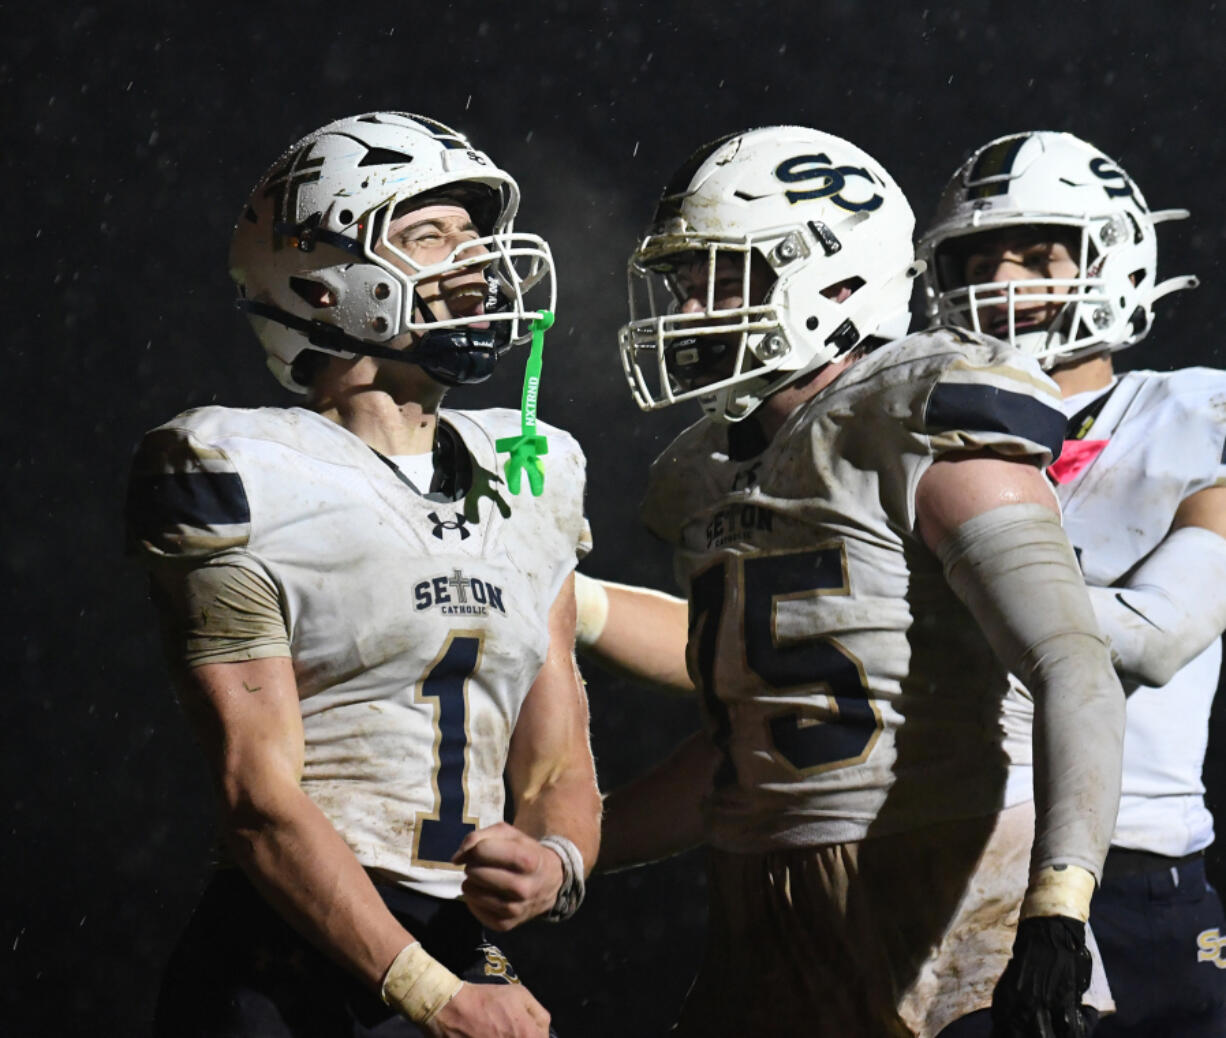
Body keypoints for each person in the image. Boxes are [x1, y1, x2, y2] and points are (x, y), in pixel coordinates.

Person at [582, 125, 1126, 1037]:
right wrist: (565, 852)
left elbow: (1073, 666)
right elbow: (747, 747)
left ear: (832, 280)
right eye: (683, 278)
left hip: (945, 887)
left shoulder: (917, 411)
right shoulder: (704, 470)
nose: (690, 302)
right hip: (760, 905)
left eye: (722, 273)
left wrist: (1059, 904)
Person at [125, 111, 601, 1038]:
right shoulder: (236, 468)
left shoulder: (528, 467)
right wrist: (432, 995)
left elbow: (559, 760)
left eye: (476, 236)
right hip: (296, 948)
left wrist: (557, 865)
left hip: (461, 942)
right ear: (324, 280)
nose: (475, 264)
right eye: (429, 234)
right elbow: (256, 801)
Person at [918, 129, 1226, 1037]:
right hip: (981, 868)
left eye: (1037, 255)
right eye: (978, 258)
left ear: (1114, 259)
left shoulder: (1194, 414)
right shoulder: (918, 433)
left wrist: (965, 598)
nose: (1004, 283)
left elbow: (1161, 634)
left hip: (1156, 872)